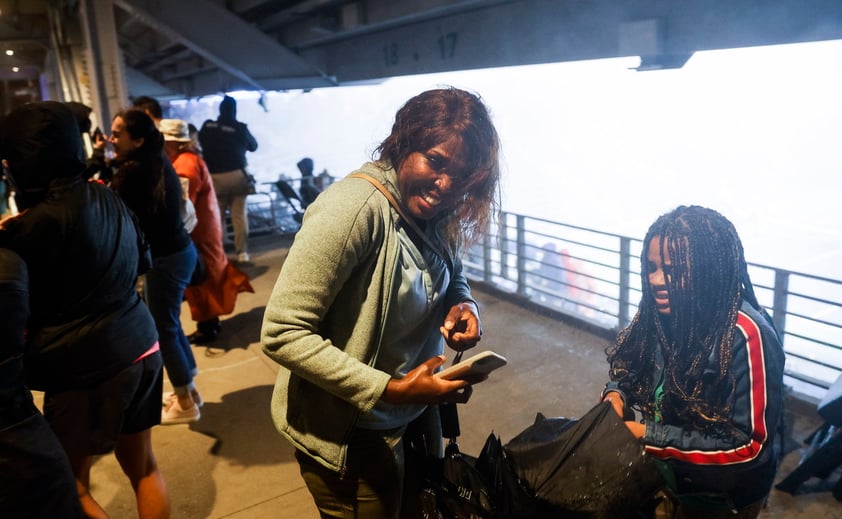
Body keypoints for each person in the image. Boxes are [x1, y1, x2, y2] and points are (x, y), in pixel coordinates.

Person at [261, 87, 501, 518]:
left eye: (461, 176)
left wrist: (464, 305)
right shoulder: (351, 210)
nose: (445, 186)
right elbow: (282, 332)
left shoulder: (435, 211)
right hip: (354, 437)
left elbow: (451, 271)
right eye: (435, 161)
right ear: (401, 142)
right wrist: (389, 389)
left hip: (410, 419)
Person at [0, 101, 169, 518]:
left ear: (23, 161)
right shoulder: (103, 194)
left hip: (83, 369)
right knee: (144, 469)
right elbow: (143, 259)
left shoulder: (30, 227)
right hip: (141, 344)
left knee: (71, 485)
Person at [601, 205, 785, 518]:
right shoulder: (664, 313)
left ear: (708, 269)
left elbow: (748, 446)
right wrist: (617, 391)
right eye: (651, 267)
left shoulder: (746, 335)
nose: (657, 280)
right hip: (666, 477)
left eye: (673, 270)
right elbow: (634, 362)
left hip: (719, 500)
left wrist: (648, 435)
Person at [109, 109, 203, 425]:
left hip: (165, 259)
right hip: (179, 253)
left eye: (117, 133)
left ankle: (186, 401)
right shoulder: (156, 160)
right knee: (170, 325)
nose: (111, 138)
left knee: (163, 329)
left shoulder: (135, 172)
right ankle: (188, 390)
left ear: (136, 139)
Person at [160, 118, 254, 344]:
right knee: (209, 275)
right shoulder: (190, 160)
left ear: (170, 143)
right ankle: (209, 323)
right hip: (205, 228)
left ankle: (208, 326)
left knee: (203, 279)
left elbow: (183, 205)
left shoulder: (184, 165)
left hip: (197, 232)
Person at [198, 95, 258, 263]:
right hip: (238, 175)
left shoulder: (208, 126)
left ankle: (219, 253)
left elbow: (200, 141)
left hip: (215, 178)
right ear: (234, 110)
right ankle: (242, 253)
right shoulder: (240, 128)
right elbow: (253, 146)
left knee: (217, 217)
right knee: (239, 215)